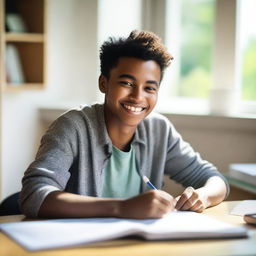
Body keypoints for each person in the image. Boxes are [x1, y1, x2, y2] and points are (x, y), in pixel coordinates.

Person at [20, 30, 229, 219]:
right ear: (104, 83)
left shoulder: (159, 130)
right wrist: (121, 207)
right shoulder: (72, 127)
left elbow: (214, 179)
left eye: (149, 88)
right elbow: (34, 195)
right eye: (127, 83)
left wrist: (203, 196)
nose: (138, 96)